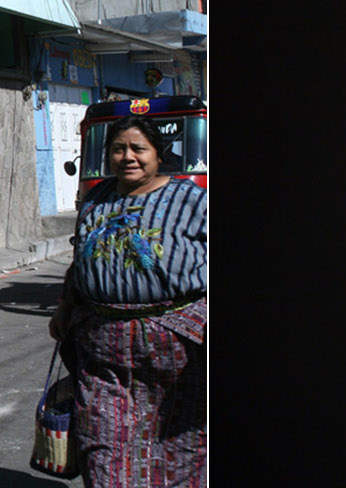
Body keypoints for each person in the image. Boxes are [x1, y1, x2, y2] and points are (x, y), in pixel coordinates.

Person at [51, 116, 207, 487]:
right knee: (101, 442)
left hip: (177, 347)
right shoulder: (97, 199)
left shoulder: (192, 199)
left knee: (179, 441)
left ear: (158, 155)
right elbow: (81, 262)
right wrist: (64, 307)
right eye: (119, 149)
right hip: (101, 347)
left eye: (139, 149)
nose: (128, 157)